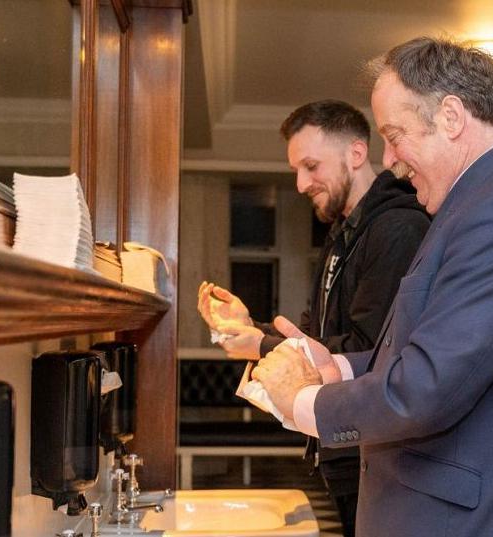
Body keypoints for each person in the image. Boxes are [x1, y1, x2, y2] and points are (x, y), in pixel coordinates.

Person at [251, 37, 493, 537]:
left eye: (394, 135)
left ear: (452, 117)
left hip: (487, 518)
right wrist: (339, 367)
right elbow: (424, 351)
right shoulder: (476, 206)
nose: (388, 158)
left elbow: (426, 389)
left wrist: (303, 403)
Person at [197, 100, 430, 536]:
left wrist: (261, 347)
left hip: (375, 448)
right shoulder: (344, 232)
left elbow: (372, 350)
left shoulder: (397, 229)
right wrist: (253, 328)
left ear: (356, 154)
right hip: (344, 441)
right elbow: (317, 336)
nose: (302, 183)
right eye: (297, 170)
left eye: (310, 166)